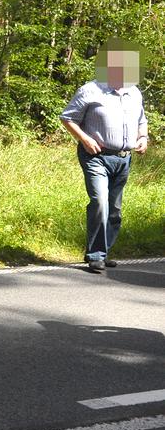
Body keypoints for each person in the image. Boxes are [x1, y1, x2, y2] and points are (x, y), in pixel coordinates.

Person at [59, 38, 148, 272]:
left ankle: (103, 251)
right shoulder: (90, 90)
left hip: (123, 158)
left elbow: (142, 120)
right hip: (96, 156)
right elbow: (67, 117)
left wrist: (143, 138)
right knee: (100, 202)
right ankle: (95, 254)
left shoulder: (134, 92)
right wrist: (85, 139)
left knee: (115, 209)